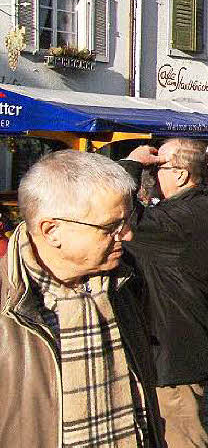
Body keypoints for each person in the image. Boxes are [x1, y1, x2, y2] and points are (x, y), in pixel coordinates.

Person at [0, 150, 163, 447]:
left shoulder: (126, 279)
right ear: (52, 231)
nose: (126, 236)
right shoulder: (11, 306)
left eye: (126, 222)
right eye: (111, 227)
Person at [122, 140, 208, 448]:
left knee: (182, 436)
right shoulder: (185, 208)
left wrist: (132, 164)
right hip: (171, 341)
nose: (152, 175)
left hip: (176, 346)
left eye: (157, 168)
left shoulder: (187, 214)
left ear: (180, 175)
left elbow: (128, 221)